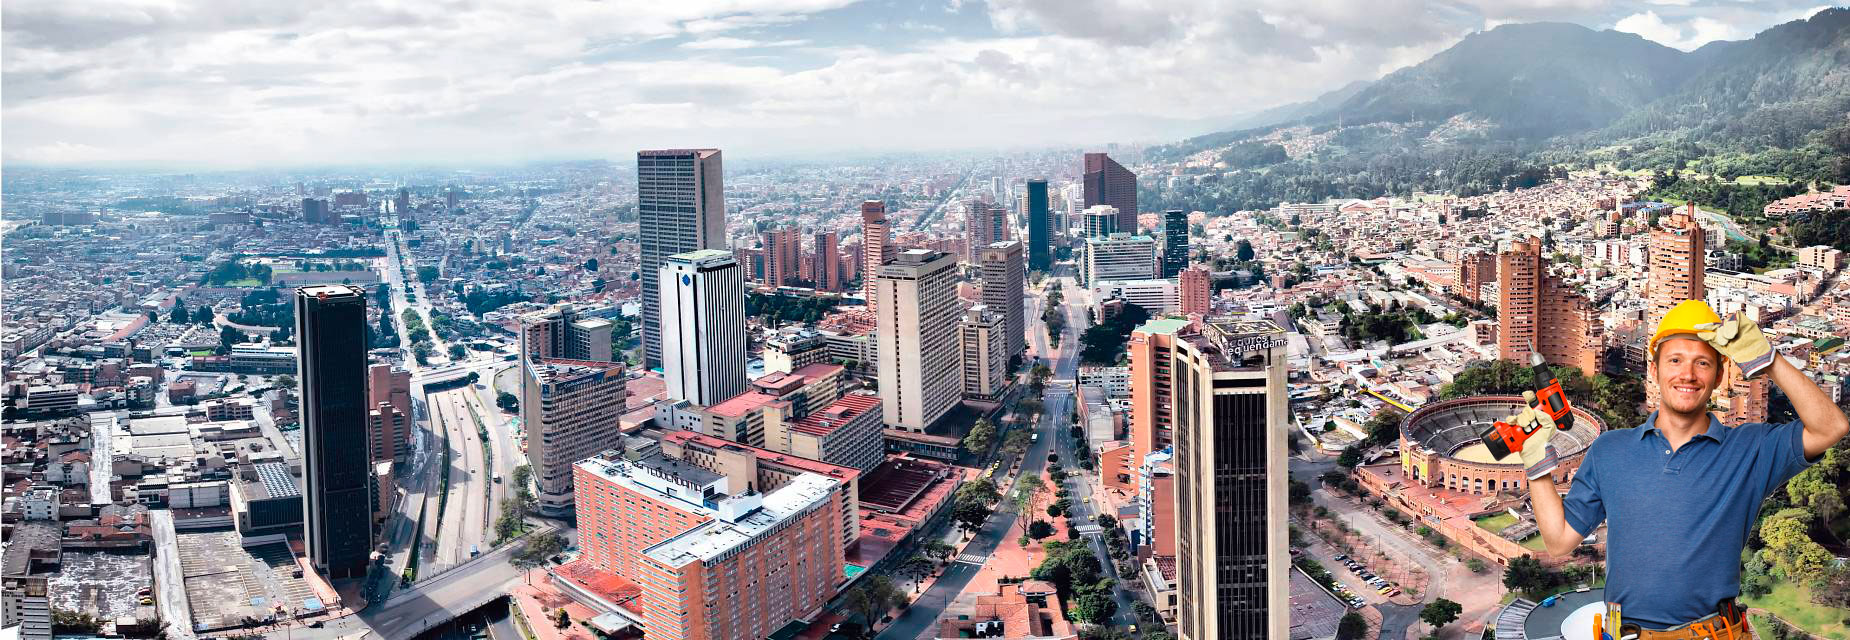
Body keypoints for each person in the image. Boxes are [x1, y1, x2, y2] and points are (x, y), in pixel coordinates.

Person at [1511, 300, 1847, 637]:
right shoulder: (1609, 450)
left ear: (1718, 376)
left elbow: (1830, 427)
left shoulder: (1750, 450)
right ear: (1654, 371)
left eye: (1702, 363)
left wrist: (1769, 361)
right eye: (1675, 360)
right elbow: (1558, 541)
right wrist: (1537, 465)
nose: (1687, 374)